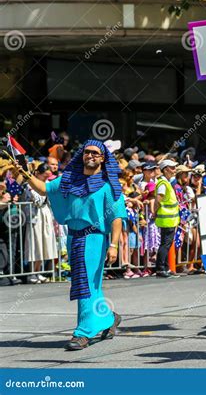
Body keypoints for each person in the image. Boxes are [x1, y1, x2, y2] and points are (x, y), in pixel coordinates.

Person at [20, 140, 127, 350]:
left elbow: (116, 218)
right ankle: (108, 318)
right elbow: (43, 189)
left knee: (85, 283)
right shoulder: (70, 180)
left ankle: (83, 333)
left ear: (103, 158)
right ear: (82, 155)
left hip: (94, 238)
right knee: (88, 284)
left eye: (95, 153)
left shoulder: (108, 185)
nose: (90, 156)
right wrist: (25, 173)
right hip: (74, 237)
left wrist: (113, 245)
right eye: (87, 152)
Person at [24, 163, 57, 284]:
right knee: (35, 244)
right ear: (38, 173)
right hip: (34, 216)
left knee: (45, 244)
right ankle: (31, 273)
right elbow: (38, 200)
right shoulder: (30, 185)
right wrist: (46, 191)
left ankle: (38, 272)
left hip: (46, 214)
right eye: (44, 176)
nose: (45, 179)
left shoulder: (47, 184)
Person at [153, 159, 180, 278]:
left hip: (169, 218)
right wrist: (154, 212)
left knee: (166, 244)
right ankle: (160, 269)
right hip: (166, 219)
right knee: (165, 244)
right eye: (172, 168)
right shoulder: (163, 184)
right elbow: (158, 199)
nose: (174, 170)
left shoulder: (166, 183)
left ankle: (165, 268)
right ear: (165, 169)